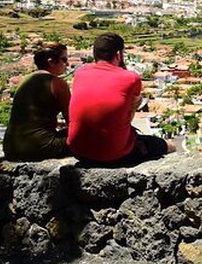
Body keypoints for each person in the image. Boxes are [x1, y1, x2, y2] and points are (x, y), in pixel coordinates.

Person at [67, 33, 175, 166]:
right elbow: (128, 116)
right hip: (116, 156)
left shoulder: (80, 73)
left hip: (78, 152)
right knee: (169, 146)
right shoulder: (131, 78)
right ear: (118, 54)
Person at [3, 42, 73, 161]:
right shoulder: (58, 83)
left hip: (10, 148)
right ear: (51, 62)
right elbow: (72, 121)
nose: (67, 63)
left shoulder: (25, 80)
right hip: (39, 147)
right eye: (64, 59)